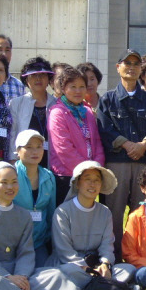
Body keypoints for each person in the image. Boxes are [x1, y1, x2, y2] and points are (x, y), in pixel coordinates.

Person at [0, 162, 78, 290]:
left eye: (14, 182)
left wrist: (22, 276)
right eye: (4, 182)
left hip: (19, 272)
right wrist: (8, 277)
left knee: (54, 275)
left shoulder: (24, 215)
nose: (10, 187)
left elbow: (26, 251)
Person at [97, 49, 146, 261]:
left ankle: (140, 256)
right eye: (127, 63)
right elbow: (105, 129)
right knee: (114, 213)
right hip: (117, 163)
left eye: (136, 64)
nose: (132, 67)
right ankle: (114, 256)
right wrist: (127, 145)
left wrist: (144, 144)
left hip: (143, 163)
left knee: (141, 213)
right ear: (118, 68)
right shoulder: (107, 99)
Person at [47, 160, 135, 289]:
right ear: (77, 183)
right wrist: (86, 269)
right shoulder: (63, 212)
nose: (92, 184)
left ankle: (93, 286)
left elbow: (107, 245)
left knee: (129, 269)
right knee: (68, 272)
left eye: (97, 180)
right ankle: (104, 285)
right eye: (87, 179)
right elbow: (64, 251)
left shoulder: (105, 212)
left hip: (96, 265)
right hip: (71, 266)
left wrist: (105, 264)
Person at [48, 67, 105, 206]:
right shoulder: (57, 112)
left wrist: (96, 167)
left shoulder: (87, 111)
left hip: (89, 174)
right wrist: (84, 170)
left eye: (81, 87)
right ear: (63, 88)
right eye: (73, 87)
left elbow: (97, 142)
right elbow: (63, 148)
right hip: (67, 175)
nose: (78, 91)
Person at [13, 130, 56, 267]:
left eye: (38, 147)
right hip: (12, 243)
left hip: (38, 243)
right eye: (29, 147)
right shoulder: (10, 175)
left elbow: (51, 212)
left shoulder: (48, 176)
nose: (35, 151)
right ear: (18, 151)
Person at [8, 56, 56, 167]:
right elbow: (12, 134)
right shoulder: (16, 104)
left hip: (51, 161)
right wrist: (13, 159)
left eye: (42, 75)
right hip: (23, 161)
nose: (38, 79)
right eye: (33, 75)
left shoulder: (57, 104)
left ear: (49, 79)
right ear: (26, 80)